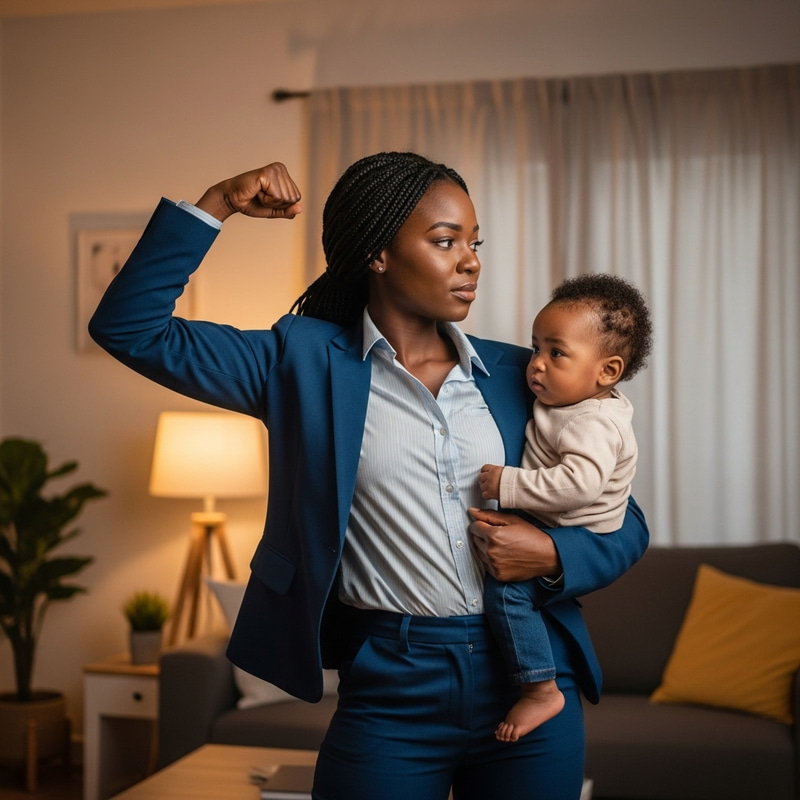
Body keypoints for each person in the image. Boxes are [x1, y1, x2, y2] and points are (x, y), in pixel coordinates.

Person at [89, 152, 649, 800]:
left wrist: (551, 551)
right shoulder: (296, 363)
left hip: (531, 675)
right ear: (378, 253)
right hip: (390, 682)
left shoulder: (526, 373)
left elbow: (624, 520)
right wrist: (217, 203)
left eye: (475, 242)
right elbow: (129, 328)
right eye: (445, 241)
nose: (471, 260)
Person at [477, 273, 652, 743]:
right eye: (535, 347)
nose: (535, 365)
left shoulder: (592, 421)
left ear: (607, 372)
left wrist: (508, 485)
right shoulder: (565, 398)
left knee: (509, 594)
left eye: (556, 353)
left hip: (578, 524)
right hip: (556, 513)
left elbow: (580, 485)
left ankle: (540, 687)